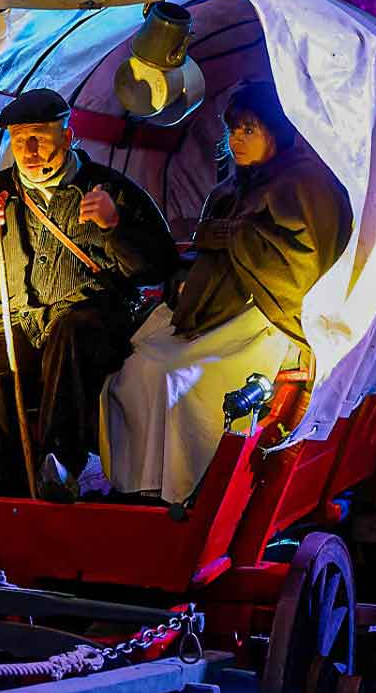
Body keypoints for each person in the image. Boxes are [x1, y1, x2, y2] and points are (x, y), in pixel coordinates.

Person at [100, 82, 352, 505]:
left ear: (278, 131)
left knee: (176, 379)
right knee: (136, 371)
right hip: (212, 312)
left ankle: (184, 489)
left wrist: (235, 237)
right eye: (233, 129)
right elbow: (205, 250)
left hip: (267, 320)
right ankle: (138, 485)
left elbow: (307, 266)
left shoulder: (307, 186)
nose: (236, 139)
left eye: (249, 130)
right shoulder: (229, 189)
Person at [0, 87, 178, 498]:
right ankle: (10, 486)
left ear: (67, 137)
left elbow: (157, 268)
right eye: (18, 139)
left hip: (89, 317)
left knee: (72, 334)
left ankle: (60, 464)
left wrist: (114, 225)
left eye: (40, 137)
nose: (28, 149)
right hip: (16, 318)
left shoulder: (111, 190)